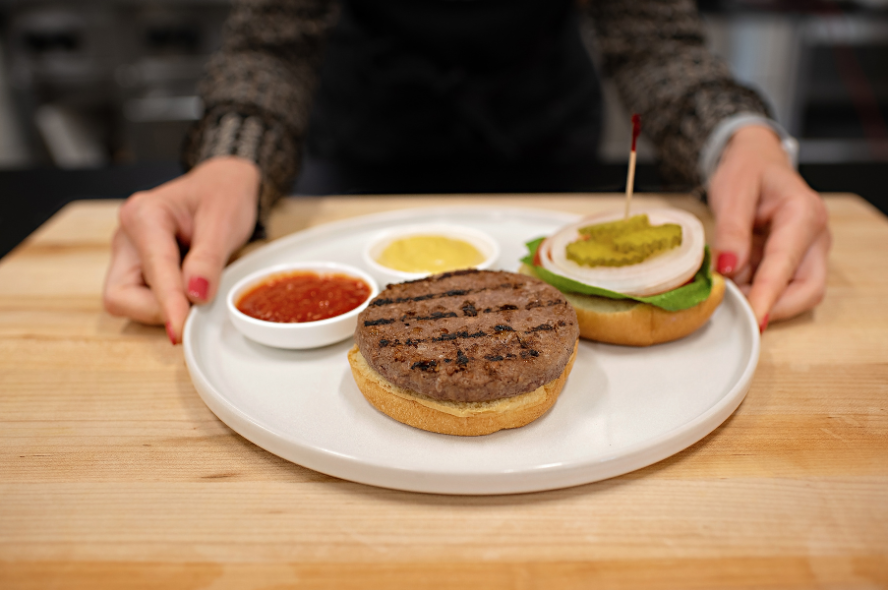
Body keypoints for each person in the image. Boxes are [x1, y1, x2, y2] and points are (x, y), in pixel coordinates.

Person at [103, 0, 830, 344]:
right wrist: (235, 156)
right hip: (364, 135)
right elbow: (272, 41)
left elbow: (654, 39)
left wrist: (741, 139)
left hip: (545, 129)